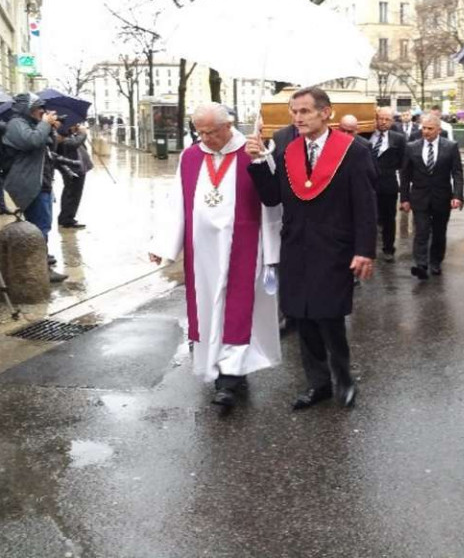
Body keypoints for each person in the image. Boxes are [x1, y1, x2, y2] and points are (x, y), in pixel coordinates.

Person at [246, 87, 377, 410]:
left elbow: (365, 204)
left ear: (325, 112)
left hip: (335, 248)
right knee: (302, 318)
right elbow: (272, 198)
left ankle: (343, 378)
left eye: (304, 111)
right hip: (296, 247)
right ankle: (317, 384)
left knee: (329, 318)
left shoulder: (354, 150)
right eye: (294, 112)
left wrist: (365, 250)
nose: (297, 117)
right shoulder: (287, 151)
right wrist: (260, 161)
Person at [150, 104, 281, 411]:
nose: (205, 138)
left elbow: (273, 201)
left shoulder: (253, 151)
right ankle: (224, 367)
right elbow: (176, 203)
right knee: (209, 309)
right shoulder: (191, 157)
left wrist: (262, 160)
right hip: (203, 251)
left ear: (228, 126)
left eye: (211, 132)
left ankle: (229, 381)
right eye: (200, 132)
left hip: (245, 245)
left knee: (237, 309)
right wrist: (162, 244)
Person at [2, 93, 67, 283]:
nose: (42, 111)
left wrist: (52, 129)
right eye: (39, 108)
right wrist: (45, 124)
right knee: (40, 228)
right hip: (31, 183)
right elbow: (32, 141)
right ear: (28, 108)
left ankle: (41, 264)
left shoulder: (31, 124)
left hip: (42, 181)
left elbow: (48, 148)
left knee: (43, 226)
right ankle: (41, 269)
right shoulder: (16, 124)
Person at [400, 114, 464, 279]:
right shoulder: (411, 147)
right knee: (421, 230)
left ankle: (435, 262)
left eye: (430, 128)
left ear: (438, 130)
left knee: (439, 232)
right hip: (419, 197)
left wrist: (457, 195)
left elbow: (457, 173)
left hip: (441, 197)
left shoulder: (450, 147)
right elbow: (405, 175)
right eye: (424, 128)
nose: (426, 132)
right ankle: (421, 264)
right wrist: (404, 199)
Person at [369, 107, 406, 262]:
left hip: (388, 184)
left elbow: (403, 163)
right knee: (368, 219)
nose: (383, 122)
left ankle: (388, 249)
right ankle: (368, 250)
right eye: (380, 118)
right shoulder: (367, 136)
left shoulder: (398, 138)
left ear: (392, 121)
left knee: (389, 219)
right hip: (368, 185)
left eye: (387, 119)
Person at [56, 124, 93, 229]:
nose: (76, 126)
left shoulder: (70, 134)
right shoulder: (62, 135)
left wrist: (77, 133)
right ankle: (66, 219)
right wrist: (83, 134)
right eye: (74, 124)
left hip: (78, 168)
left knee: (74, 194)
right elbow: (72, 144)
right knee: (71, 193)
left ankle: (68, 217)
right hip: (71, 168)